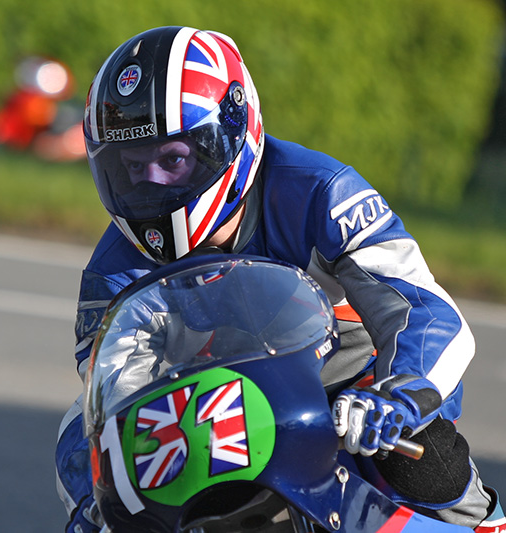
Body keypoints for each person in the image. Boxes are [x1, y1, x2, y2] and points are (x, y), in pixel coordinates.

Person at [56, 26, 505, 532]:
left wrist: (396, 396)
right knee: (79, 439)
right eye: (131, 166)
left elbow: (427, 311)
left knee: (421, 456)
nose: (150, 183)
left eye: (173, 159)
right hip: (218, 406)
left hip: (353, 392)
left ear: (230, 134)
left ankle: (480, 522)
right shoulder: (114, 267)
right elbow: (116, 391)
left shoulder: (321, 192)